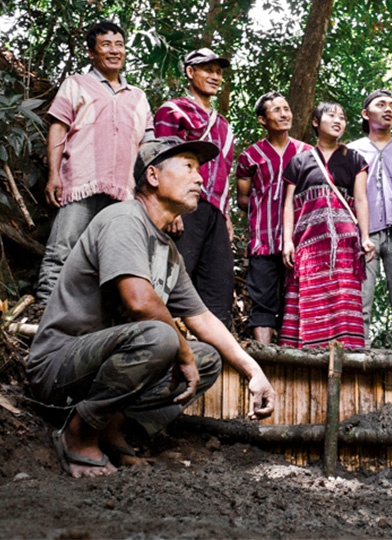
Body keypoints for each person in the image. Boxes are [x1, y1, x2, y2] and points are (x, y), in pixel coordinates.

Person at [27, 137, 276, 478]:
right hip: (59, 367)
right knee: (164, 338)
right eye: (188, 166)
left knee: (207, 359)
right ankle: (78, 436)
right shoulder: (124, 219)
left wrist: (254, 372)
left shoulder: (167, 250)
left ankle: (110, 428)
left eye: (199, 169)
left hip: (103, 368)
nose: (200, 177)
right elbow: (139, 301)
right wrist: (182, 352)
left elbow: (202, 318)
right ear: (154, 177)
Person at [36, 20, 154, 304]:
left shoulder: (138, 97)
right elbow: (58, 129)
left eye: (120, 45)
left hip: (124, 193)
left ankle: (99, 321)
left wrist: (148, 192)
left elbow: (147, 146)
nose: (114, 51)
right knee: (62, 249)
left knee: (114, 257)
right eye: (106, 45)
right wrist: (55, 175)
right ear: (91, 52)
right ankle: (43, 310)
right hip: (81, 182)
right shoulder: (76, 84)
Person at [280, 102, 374, 349]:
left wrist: (365, 236)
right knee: (311, 299)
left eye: (342, 117)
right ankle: (309, 356)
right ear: (315, 122)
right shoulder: (299, 161)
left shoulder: (355, 159)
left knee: (345, 301)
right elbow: (288, 204)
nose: (338, 120)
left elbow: (361, 199)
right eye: (331, 115)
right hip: (308, 247)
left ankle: (348, 356)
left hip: (345, 246)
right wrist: (288, 241)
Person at [154, 48, 235, 327]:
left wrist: (227, 216)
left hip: (215, 211)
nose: (214, 76)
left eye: (218, 72)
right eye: (207, 70)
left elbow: (225, 173)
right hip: (186, 207)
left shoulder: (225, 126)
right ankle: (164, 343)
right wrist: (171, 209)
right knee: (176, 275)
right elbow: (163, 159)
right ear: (190, 72)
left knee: (218, 284)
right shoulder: (173, 110)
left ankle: (213, 355)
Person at [236, 93, 313, 343]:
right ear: (262, 119)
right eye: (276, 110)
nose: (284, 114)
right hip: (264, 242)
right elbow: (243, 199)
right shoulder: (250, 156)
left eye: (286, 109)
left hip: (301, 243)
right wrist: (265, 213)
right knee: (263, 303)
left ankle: (299, 362)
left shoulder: (308, 153)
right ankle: (265, 360)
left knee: (300, 302)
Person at [348, 89, 392, 348]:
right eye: (381, 104)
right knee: (362, 300)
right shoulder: (353, 150)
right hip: (365, 233)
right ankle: (359, 358)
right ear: (366, 113)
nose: (389, 109)